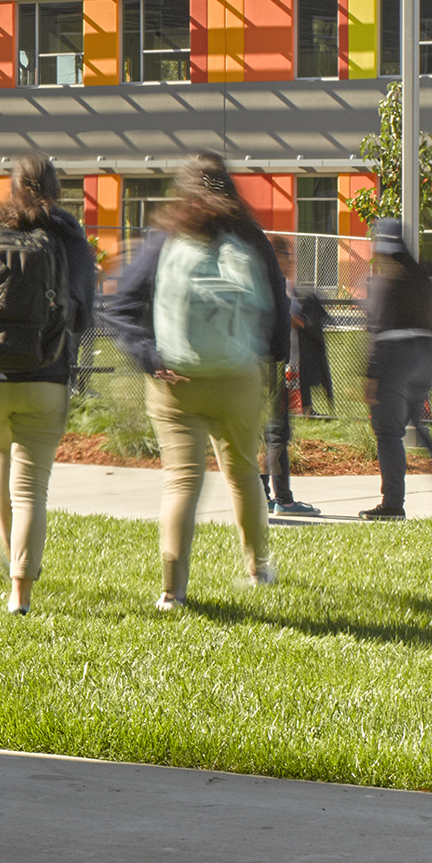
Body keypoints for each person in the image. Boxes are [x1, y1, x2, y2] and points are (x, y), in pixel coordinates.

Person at [105, 152, 290, 610]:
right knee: (243, 473)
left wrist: (150, 357)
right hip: (238, 377)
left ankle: (173, 591)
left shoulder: (165, 237)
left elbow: (121, 305)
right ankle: (258, 568)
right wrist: (271, 364)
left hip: (176, 379)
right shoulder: (249, 236)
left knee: (181, 482)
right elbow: (278, 306)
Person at [0, 157, 95, 615]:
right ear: (56, 190)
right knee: (31, 486)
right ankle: (20, 591)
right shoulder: (71, 240)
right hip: (45, 374)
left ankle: (9, 550)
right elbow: (83, 315)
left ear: (12, 188)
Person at [360, 218, 432, 520]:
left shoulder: (386, 279)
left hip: (396, 357)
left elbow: (378, 331)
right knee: (418, 425)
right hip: (426, 354)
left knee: (388, 431)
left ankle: (393, 503)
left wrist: (371, 375)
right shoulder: (420, 277)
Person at [261, 235, 320, 519]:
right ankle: (282, 500)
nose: (292, 262)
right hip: (269, 368)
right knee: (276, 434)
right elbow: (278, 319)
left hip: (267, 368)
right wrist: (297, 320)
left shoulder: (268, 283)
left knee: (267, 434)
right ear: (276, 257)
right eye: (288, 256)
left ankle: (263, 496)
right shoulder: (272, 285)